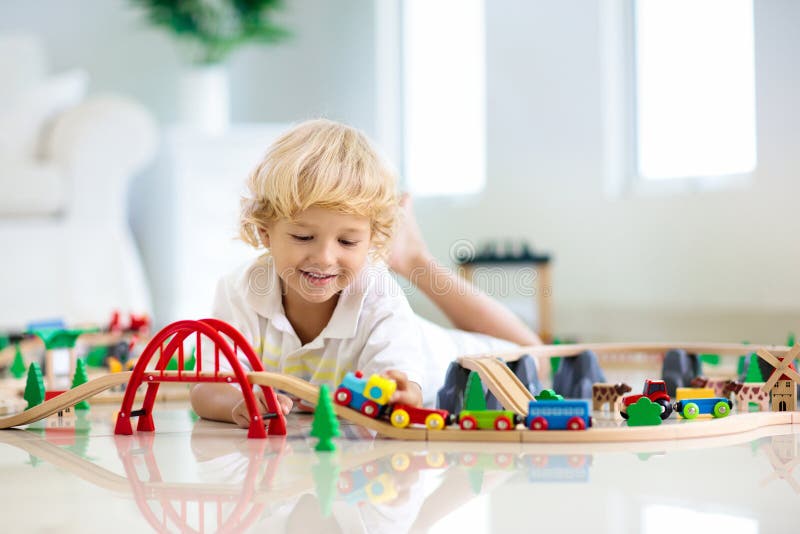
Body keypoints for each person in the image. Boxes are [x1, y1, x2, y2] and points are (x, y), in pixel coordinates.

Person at [190, 119, 541, 428]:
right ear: (265, 232)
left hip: (448, 355)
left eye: (347, 240)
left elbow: (405, 383)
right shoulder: (240, 291)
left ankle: (412, 256)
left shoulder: (378, 295)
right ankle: (405, 253)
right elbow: (207, 388)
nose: (325, 257)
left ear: (371, 239)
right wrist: (238, 404)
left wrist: (402, 393)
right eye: (302, 236)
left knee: (537, 359)